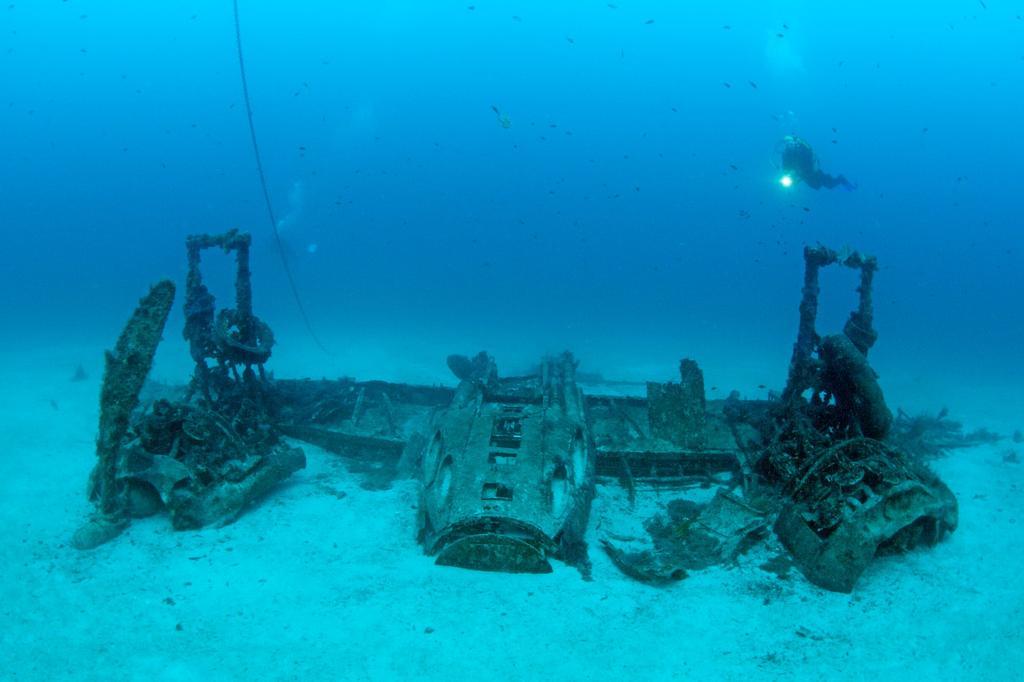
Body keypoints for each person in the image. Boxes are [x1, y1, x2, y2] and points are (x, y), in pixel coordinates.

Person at [779, 135, 855, 190]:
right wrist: (788, 176)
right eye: (788, 145)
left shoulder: (802, 152)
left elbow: (810, 161)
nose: (790, 147)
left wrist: (802, 172)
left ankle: (841, 179)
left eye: (791, 145)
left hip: (812, 172)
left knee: (829, 185)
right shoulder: (785, 155)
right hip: (802, 175)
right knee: (816, 186)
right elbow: (785, 168)